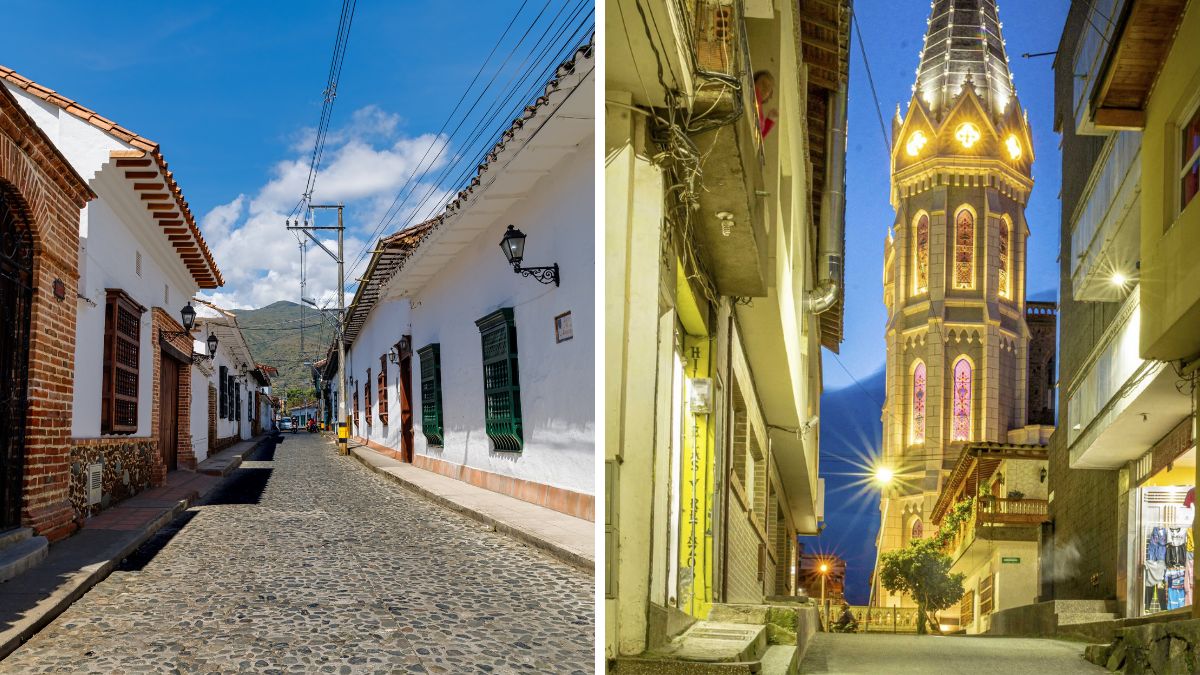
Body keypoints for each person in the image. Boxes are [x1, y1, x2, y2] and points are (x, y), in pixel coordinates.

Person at [754, 70, 779, 138]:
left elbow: (759, 137)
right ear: (754, 82)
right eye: (763, 84)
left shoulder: (759, 109)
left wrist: (770, 120)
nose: (765, 89)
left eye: (769, 88)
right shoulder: (753, 98)